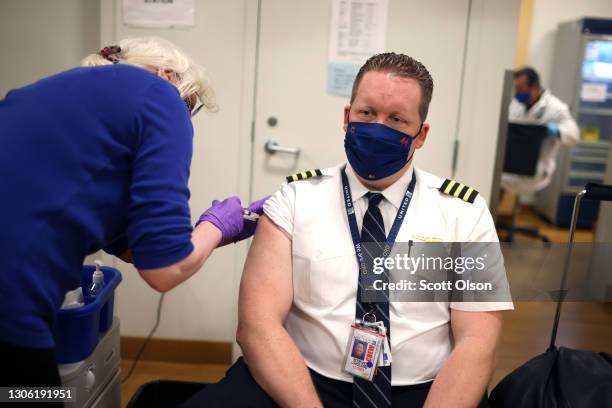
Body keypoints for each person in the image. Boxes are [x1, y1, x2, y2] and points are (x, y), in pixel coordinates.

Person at [181, 53, 513, 408]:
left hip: (420, 391)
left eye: (397, 119)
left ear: (421, 135)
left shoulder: (463, 212)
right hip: (300, 379)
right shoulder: (295, 199)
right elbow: (257, 327)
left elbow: (477, 341)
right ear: (347, 116)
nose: (377, 127)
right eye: (367, 113)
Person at [0, 36, 267, 391]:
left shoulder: (52, 96)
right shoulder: (160, 94)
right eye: (189, 105)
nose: (184, 116)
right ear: (169, 75)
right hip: (10, 299)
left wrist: (217, 232)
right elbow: (164, 270)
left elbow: (137, 250)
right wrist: (218, 225)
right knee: (30, 396)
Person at [503, 67, 579, 193]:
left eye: (520, 88)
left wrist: (555, 131)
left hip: (537, 171)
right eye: (516, 88)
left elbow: (574, 135)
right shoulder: (516, 104)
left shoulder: (555, 107)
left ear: (534, 87)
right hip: (511, 166)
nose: (517, 92)